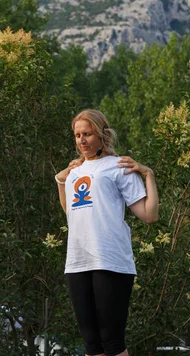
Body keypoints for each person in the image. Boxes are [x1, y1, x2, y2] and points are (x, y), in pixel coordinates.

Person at [55, 109, 159, 356]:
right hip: (78, 262)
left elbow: (149, 215)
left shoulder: (118, 166)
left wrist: (149, 175)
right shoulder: (74, 172)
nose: (82, 140)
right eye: (78, 135)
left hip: (110, 261)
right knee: (92, 345)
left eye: (88, 134)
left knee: (112, 342)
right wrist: (61, 182)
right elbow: (71, 211)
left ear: (102, 135)